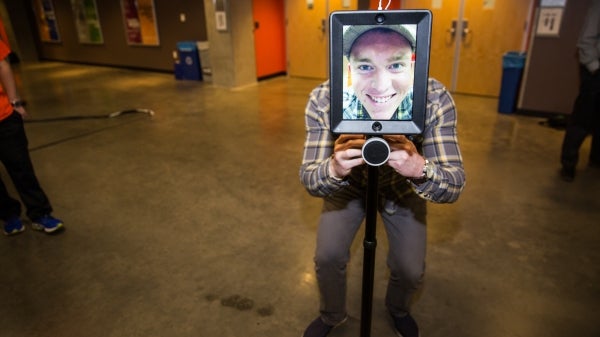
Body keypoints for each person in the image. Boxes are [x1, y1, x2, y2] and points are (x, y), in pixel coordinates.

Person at [299, 26, 466, 337]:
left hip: (402, 189)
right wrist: (334, 169)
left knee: (410, 269)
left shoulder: (433, 98)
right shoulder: (324, 99)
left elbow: (454, 183)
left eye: (395, 64)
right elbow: (310, 177)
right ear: (346, 65)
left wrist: (420, 168)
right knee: (328, 256)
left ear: (414, 64)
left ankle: (398, 307)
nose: (380, 83)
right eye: (365, 65)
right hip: (348, 187)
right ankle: (332, 314)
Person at [0, 19, 64, 236]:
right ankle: (9, 215)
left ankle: (39, 213)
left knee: (21, 167)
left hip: (3, 116)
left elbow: (2, 63)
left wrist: (14, 101)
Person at [559, 0, 600, 181]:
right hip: (595, 72)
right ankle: (568, 164)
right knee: (582, 119)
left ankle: (596, 159)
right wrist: (595, 68)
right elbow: (586, 40)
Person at [343, 25, 415, 120]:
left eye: (396, 66)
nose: (381, 88)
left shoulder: (432, 106)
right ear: (350, 72)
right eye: (365, 67)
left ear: (411, 70)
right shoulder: (329, 108)